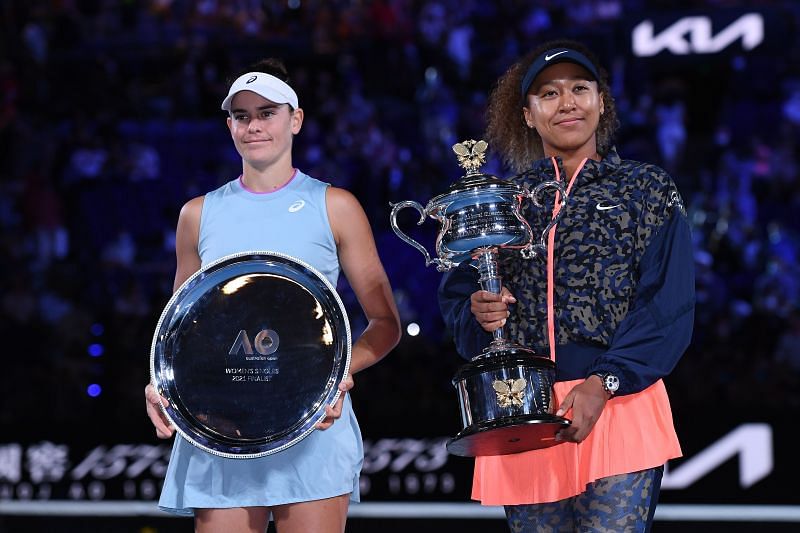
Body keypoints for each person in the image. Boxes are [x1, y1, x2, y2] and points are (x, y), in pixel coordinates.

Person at [438, 39, 695, 532]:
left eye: (580, 88)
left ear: (602, 103)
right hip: (525, 407)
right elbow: (458, 294)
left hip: (619, 403)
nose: (568, 102)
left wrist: (606, 382)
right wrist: (478, 311)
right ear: (528, 115)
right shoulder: (504, 202)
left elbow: (668, 304)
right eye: (549, 94)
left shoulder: (646, 189)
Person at [144, 58, 401, 533]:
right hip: (221, 427)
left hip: (311, 426)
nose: (254, 125)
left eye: (267, 112)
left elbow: (385, 324)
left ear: (295, 120)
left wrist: (337, 372)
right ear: (229, 126)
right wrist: (162, 383)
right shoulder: (197, 215)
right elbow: (181, 330)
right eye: (242, 116)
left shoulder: (336, 206)